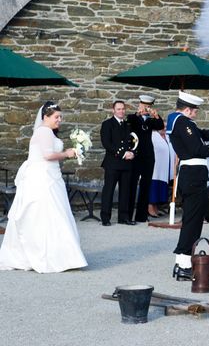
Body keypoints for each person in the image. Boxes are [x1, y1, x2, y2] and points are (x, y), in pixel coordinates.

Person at [0, 101, 87, 272]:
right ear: (45, 117)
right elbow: (47, 155)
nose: (59, 120)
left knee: (54, 215)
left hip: (49, 176)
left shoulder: (46, 132)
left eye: (60, 117)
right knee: (48, 215)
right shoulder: (45, 131)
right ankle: (53, 256)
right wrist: (67, 154)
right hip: (43, 179)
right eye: (56, 117)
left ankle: (61, 255)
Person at [167, 91, 209, 281]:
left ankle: (182, 263)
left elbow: (202, 134)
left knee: (192, 221)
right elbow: (198, 149)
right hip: (193, 177)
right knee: (192, 222)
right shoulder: (182, 123)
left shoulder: (185, 123)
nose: (196, 113)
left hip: (192, 176)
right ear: (187, 109)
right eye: (195, 110)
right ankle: (184, 265)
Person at [128, 95, 164, 223]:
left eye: (148, 106)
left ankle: (141, 215)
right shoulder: (134, 118)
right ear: (139, 105)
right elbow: (128, 121)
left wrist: (156, 115)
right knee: (132, 184)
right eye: (143, 106)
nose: (145, 108)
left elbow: (160, 125)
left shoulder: (150, 121)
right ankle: (128, 215)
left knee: (145, 185)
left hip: (148, 156)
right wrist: (138, 113)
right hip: (135, 155)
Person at [100, 100, 136, 226]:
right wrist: (123, 154)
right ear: (113, 110)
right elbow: (107, 144)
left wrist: (132, 153)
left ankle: (123, 217)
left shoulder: (128, 125)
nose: (121, 111)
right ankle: (105, 217)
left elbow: (134, 142)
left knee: (125, 191)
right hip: (112, 163)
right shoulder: (107, 124)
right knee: (109, 190)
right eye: (119, 109)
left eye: (123, 109)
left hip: (127, 163)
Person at [148, 128, 175, 218]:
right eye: (162, 126)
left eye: (166, 126)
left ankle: (156, 207)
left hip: (164, 167)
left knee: (161, 188)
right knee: (153, 187)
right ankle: (150, 207)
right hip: (155, 167)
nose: (164, 128)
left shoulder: (167, 137)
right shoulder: (153, 136)